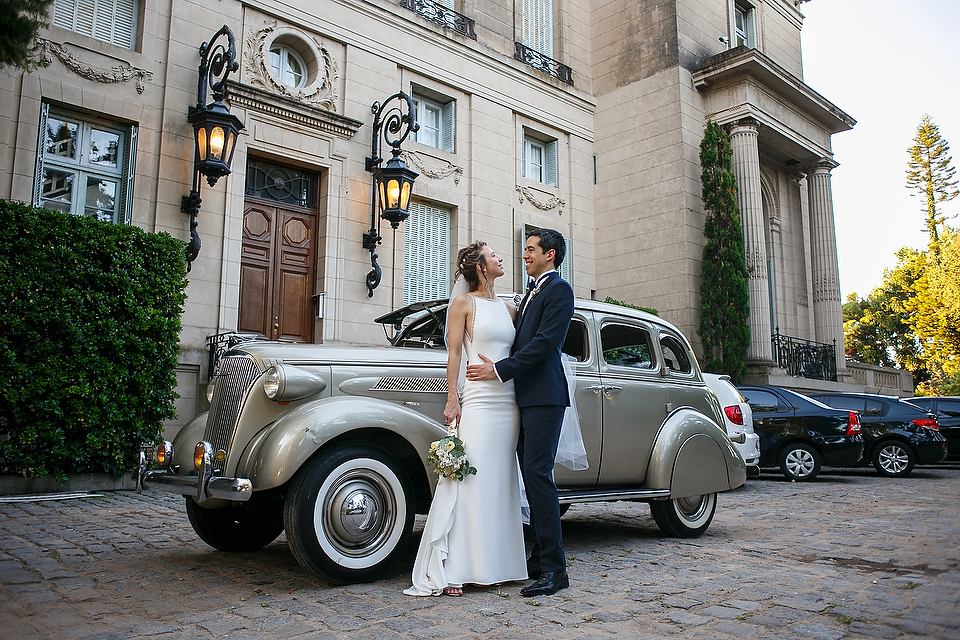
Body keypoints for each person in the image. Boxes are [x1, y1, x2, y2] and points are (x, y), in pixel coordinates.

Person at [404, 241, 527, 597]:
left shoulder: (509, 307)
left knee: (502, 479)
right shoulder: (463, 303)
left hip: (508, 401)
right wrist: (451, 399)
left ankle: (502, 564)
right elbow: (454, 352)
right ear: (480, 266)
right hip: (479, 399)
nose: (502, 258)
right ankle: (456, 567)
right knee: (471, 477)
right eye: (494, 255)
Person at [466, 228, 575, 597]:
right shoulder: (530, 293)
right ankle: (539, 556)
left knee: (538, 476)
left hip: (544, 397)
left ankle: (555, 569)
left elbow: (546, 344)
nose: (524, 255)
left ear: (550, 254)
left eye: (530, 250)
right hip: (522, 398)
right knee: (530, 479)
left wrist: (499, 370)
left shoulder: (559, 291)